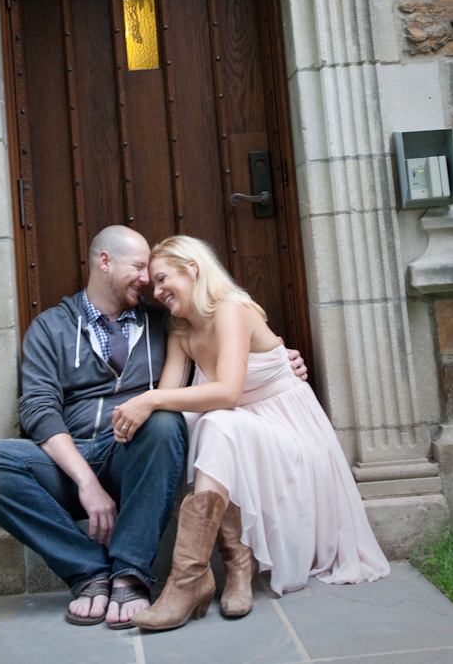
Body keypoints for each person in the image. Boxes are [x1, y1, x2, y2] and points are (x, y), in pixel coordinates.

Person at [0, 225, 309, 629]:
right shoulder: (50, 327)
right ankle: (88, 572)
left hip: (134, 457)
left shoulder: (166, 321)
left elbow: (226, 336)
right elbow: (38, 409)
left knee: (163, 422)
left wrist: (278, 360)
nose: (147, 281)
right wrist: (86, 483)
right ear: (104, 262)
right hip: (65, 464)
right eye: (140, 267)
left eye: (153, 272)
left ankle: (130, 572)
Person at [108, 235, 390, 633]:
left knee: (217, 422)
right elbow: (171, 400)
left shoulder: (232, 309)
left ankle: (198, 577)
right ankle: (229, 564)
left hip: (290, 435)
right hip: (238, 435)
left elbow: (226, 393)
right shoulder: (181, 330)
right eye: (153, 284)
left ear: (192, 269)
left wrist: (149, 399)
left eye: (162, 278)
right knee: (198, 424)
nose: (156, 292)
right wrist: (143, 411)